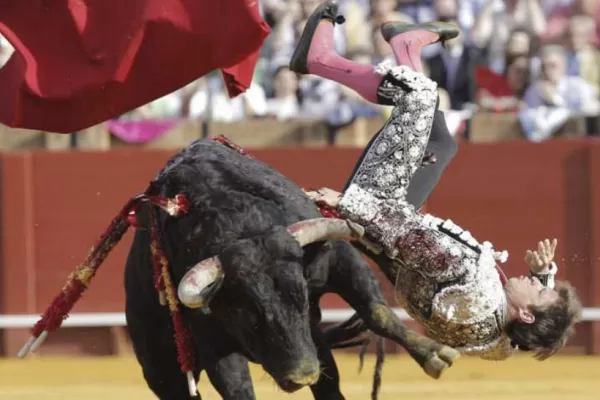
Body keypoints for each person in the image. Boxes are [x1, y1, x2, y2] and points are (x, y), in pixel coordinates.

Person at [292, 0, 582, 361]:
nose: (528, 280)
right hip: (394, 243)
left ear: (525, 312)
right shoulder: (499, 342)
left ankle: (320, 60)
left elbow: (402, 233)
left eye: (536, 292)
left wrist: (346, 204)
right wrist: (544, 280)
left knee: (421, 97)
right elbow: (527, 334)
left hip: (379, 208)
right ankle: (405, 47)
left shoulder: (468, 277)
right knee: (442, 143)